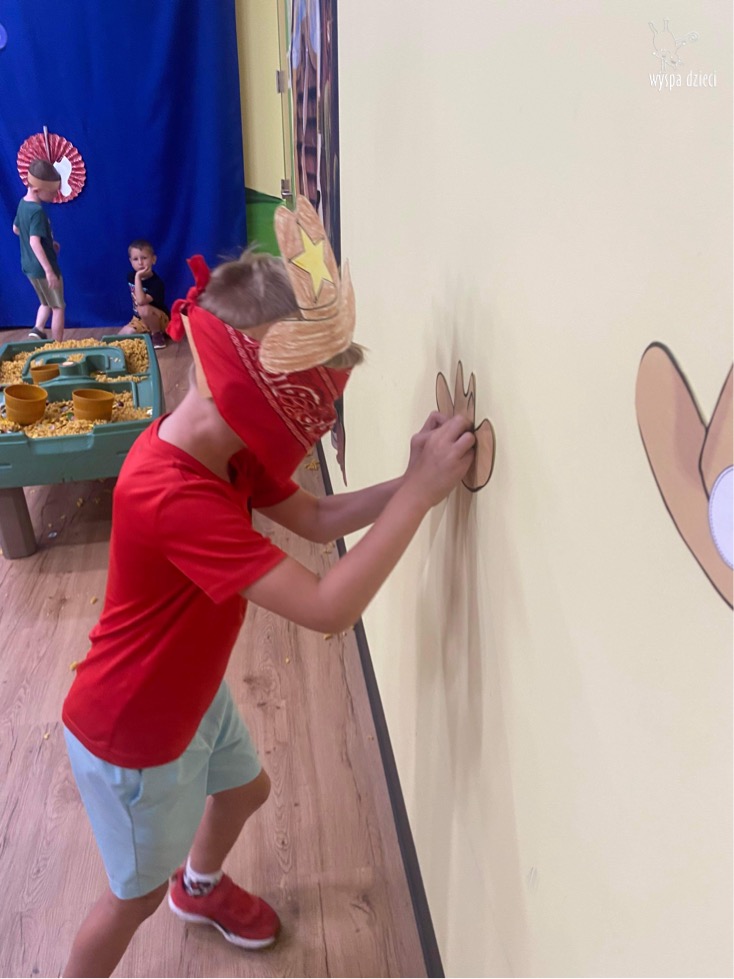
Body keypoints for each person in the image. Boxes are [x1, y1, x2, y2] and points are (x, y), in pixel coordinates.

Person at [60, 198, 475, 977]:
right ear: (255, 403)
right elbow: (328, 606)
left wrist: (408, 478)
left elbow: (315, 517)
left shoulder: (225, 450)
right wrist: (418, 497)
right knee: (129, 901)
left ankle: (198, 888)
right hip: (134, 735)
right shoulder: (171, 493)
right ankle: (159, 902)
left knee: (246, 790)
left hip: (189, 692)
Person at [12, 158, 65, 342]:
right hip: (43, 268)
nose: (55, 195)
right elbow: (34, 242)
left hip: (29, 266)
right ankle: (58, 345)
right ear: (36, 189)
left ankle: (38, 330)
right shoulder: (37, 212)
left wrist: (49, 242)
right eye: (52, 192)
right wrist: (49, 271)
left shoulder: (23, 204)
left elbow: (16, 229)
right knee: (58, 307)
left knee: (46, 301)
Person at [119, 238, 170, 349]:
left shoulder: (156, 283)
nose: (140, 263)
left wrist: (138, 277)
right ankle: (146, 333)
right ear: (130, 261)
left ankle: (157, 335)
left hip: (159, 320)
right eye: (135, 259)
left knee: (143, 308)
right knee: (121, 336)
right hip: (139, 319)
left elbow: (141, 301)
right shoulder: (130, 276)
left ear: (153, 259)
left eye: (144, 258)